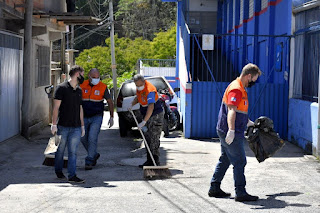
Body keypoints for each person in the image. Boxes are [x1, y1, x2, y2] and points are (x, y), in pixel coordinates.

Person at [208, 63, 262, 202]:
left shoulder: (240, 88)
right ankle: (241, 192)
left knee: (225, 158)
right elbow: (231, 110)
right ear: (248, 76)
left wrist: (247, 121)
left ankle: (214, 187)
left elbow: (239, 110)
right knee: (239, 161)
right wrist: (231, 131)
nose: (253, 83)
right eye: (253, 80)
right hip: (230, 131)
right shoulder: (236, 89)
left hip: (228, 129)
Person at [51, 65, 86, 183]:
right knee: (60, 150)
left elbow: (80, 108)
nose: (83, 76)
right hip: (62, 126)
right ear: (77, 74)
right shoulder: (61, 88)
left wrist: (82, 125)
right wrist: (54, 124)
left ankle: (72, 175)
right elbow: (56, 107)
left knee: (73, 152)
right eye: (82, 74)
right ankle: (59, 171)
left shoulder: (79, 90)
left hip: (76, 127)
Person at [80, 68, 114, 170]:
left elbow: (110, 102)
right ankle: (94, 154)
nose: (96, 79)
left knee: (92, 138)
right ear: (89, 77)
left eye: (97, 77)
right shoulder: (82, 85)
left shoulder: (103, 87)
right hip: (83, 116)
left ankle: (89, 160)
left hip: (96, 117)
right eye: (94, 77)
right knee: (82, 137)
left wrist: (112, 117)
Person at [129, 74, 164, 167]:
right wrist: (132, 104)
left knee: (154, 138)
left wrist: (144, 121)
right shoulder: (140, 89)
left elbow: (151, 107)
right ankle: (149, 160)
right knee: (147, 138)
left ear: (144, 82)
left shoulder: (150, 90)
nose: (139, 87)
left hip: (155, 115)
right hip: (146, 114)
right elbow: (139, 97)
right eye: (137, 85)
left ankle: (155, 161)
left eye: (140, 85)